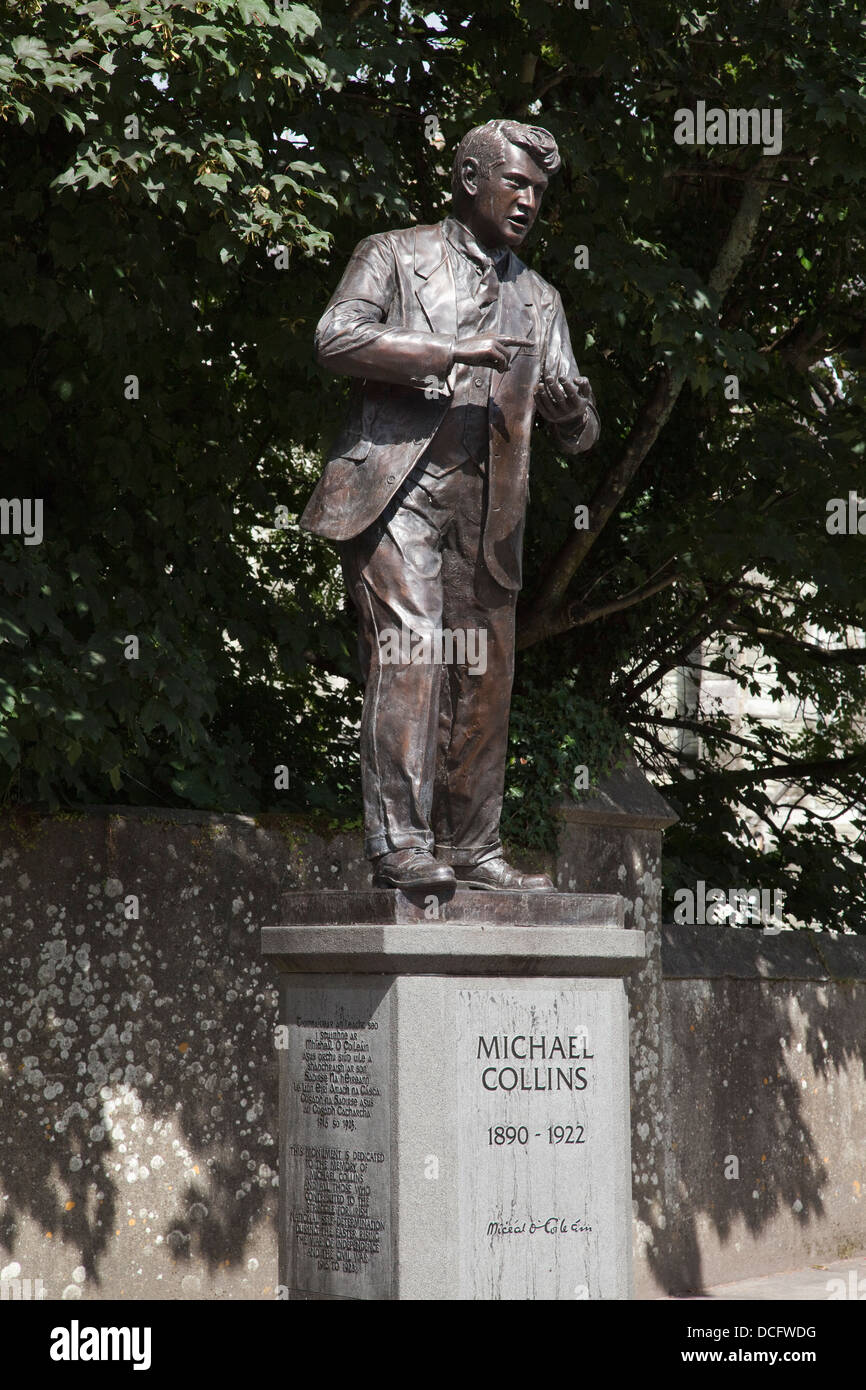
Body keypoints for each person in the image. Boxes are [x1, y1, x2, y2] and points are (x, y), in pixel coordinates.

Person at [301, 119, 600, 892]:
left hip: (489, 509)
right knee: (414, 646)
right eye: (518, 184)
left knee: (486, 674)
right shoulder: (395, 255)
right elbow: (336, 338)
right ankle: (399, 841)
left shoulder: (539, 299)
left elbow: (583, 434)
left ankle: (472, 847)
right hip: (396, 490)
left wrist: (570, 408)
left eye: (540, 191)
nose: (530, 201)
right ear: (471, 179)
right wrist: (445, 351)